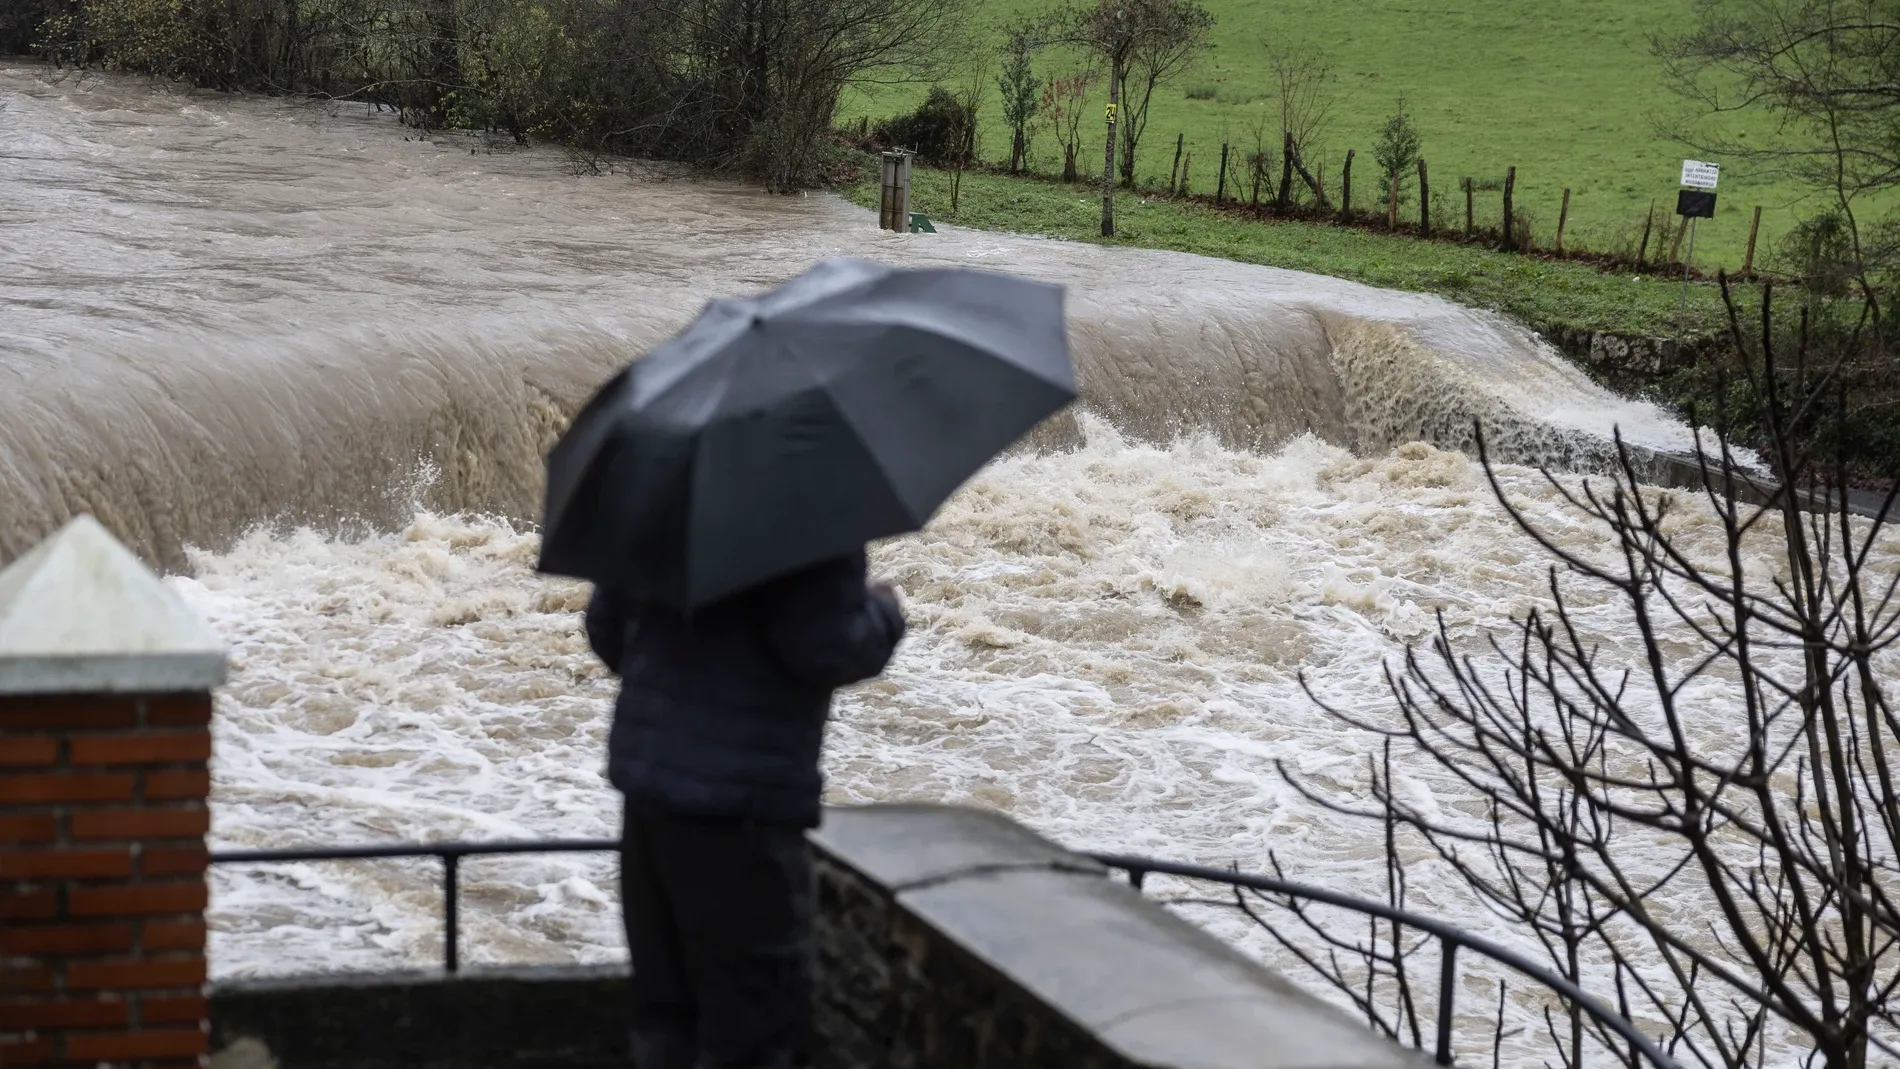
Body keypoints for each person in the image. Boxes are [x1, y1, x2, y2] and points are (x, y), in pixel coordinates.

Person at [584, 549, 906, 1069]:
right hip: (742, 810)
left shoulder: (660, 495)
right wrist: (884, 611)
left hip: (649, 794)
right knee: (752, 1025)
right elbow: (828, 647)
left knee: (665, 1012)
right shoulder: (808, 514)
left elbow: (607, 633)